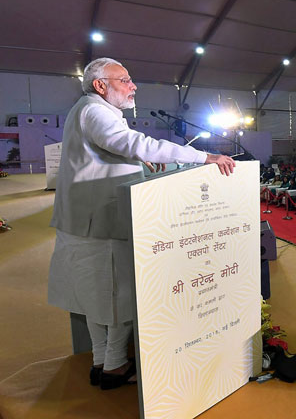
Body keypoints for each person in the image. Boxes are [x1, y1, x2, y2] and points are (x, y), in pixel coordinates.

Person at [48, 58, 235, 390]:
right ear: (100, 85)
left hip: (85, 222)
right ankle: (115, 367)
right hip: (101, 223)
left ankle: (102, 362)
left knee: (95, 299)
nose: (133, 86)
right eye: (124, 80)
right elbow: (133, 143)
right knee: (118, 298)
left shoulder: (88, 110)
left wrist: (140, 158)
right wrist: (204, 157)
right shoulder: (95, 111)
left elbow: (117, 148)